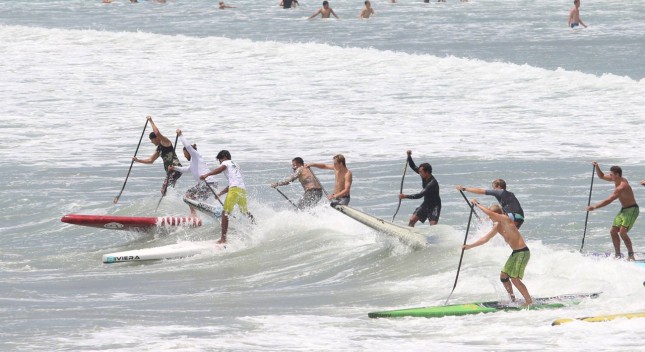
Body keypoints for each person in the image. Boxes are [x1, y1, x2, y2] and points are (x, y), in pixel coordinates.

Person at [463, 199, 533, 306]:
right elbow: (485, 239)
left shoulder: (506, 219)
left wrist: (477, 204)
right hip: (515, 253)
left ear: (497, 214)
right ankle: (512, 300)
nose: (490, 218)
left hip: (522, 253)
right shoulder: (497, 226)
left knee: (515, 279)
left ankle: (529, 301)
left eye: (491, 217)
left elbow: (489, 213)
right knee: (503, 276)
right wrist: (469, 246)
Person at [586, 162, 639, 260]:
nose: (610, 176)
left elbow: (609, 200)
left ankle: (631, 255)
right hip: (624, 210)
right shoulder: (616, 180)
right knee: (613, 231)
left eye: (611, 174)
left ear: (617, 175)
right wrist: (597, 166)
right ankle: (617, 255)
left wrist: (594, 207)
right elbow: (601, 176)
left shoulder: (622, 186)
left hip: (632, 210)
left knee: (622, 233)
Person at [200, 150, 254, 244]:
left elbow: (220, 169)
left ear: (224, 156)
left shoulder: (226, 162)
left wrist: (206, 175)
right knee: (244, 211)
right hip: (242, 190)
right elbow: (234, 183)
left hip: (235, 189)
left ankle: (223, 239)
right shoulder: (236, 165)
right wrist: (220, 193)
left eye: (220, 160)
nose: (220, 163)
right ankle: (256, 226)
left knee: (225, 213)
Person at [168, 129, 218, 218]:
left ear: (188, 152)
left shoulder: (196, 156)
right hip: (211, 184)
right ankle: (210, 213)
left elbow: (187, 146)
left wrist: (180, 135)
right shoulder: (193, 162)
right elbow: (186, 170)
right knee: (194, 199)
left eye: (184, 153)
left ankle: (193, 215)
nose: (184, 155)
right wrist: (174, 168)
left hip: (208, 183)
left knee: (188, 195)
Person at [133, 116, 182, 194]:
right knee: (166, 191)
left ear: (156, 138)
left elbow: (157, 133)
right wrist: (138, 160)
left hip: (175, 169)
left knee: (163, 190)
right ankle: (172, 201)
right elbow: (151, 160)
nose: (152, 142)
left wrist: (150, 120)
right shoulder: (159, 148)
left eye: (152, 140)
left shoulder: (166, 142)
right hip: (170, 172)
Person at [456, 179, 525, 228]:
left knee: (496, 226)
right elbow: (499, 213)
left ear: (498, 187)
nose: (493, 190)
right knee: (508, 237)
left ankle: (477, 204)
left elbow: (480, 191)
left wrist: (464, 189)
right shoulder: (508, 195)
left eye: (494, 188)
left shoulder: (500, 191)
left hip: (513, 216)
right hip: (520, 217)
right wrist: (486, 219)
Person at [399, 150, 441, 226]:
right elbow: (413, 166)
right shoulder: (424, 175)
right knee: (412, 220)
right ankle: (409, 235)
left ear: (427, 172)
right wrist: (409, 156)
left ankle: (434, 238)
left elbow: (420, 195)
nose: (419, 173)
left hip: (435, 206)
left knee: (433, 227)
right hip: (426, 204)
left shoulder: (432, 183)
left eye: (421, 172)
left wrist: (405, 196)